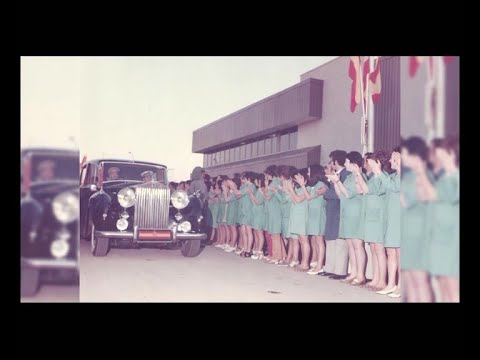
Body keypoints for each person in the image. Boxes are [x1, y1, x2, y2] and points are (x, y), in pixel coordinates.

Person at [321, 150, 350, 280]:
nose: (330, 164)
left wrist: (326, 193)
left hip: (340, 211)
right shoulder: (335, 174)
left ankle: (340, 271)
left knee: (339, 242)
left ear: (335, 162)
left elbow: (341, 194)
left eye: (331, 161)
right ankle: (329, 268)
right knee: (331, 241)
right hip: (332, 211)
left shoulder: (345, 174)